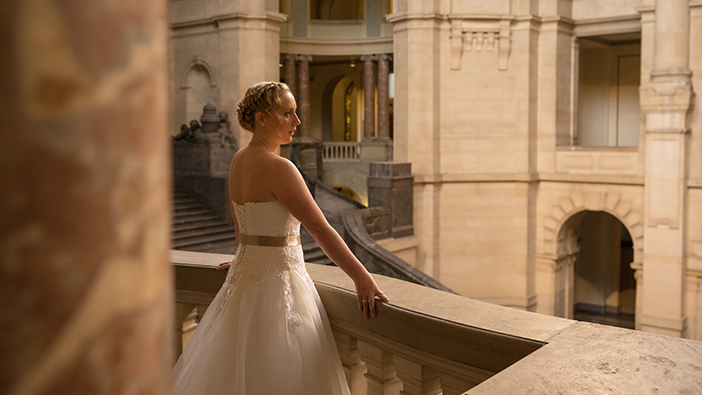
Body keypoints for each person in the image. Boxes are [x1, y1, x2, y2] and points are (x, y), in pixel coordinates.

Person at [172, 81, 389, 395]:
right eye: (287, 114)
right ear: (262, 119)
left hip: (244, 283)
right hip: (280, 287)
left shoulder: (237, 161)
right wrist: (361, 277)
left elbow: (242, 229)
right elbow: (320, 230)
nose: (297, 123)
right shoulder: (280, 168)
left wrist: (244, 258)